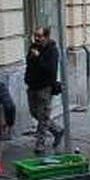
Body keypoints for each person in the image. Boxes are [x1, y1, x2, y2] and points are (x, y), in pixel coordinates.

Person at [25, 26, 64, 155]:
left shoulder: (52, 50)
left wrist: (38, 57)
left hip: (45, 87)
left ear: (46, 37)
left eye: (40, 36)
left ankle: (40, 144)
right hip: (32, 86)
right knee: (34, 112)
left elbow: (50, 70)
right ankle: (57, 130)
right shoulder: (33, 47)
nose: (37, 38)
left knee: (43, 116)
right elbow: (29, 64)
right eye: (35, 35)